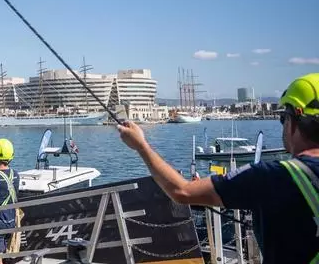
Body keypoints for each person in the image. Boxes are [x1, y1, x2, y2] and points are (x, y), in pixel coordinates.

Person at [117, 73, 319, 264]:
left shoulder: (272, 177)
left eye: (283, 119)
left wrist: (141, 146)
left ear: (293, 122)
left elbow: (182, 191)